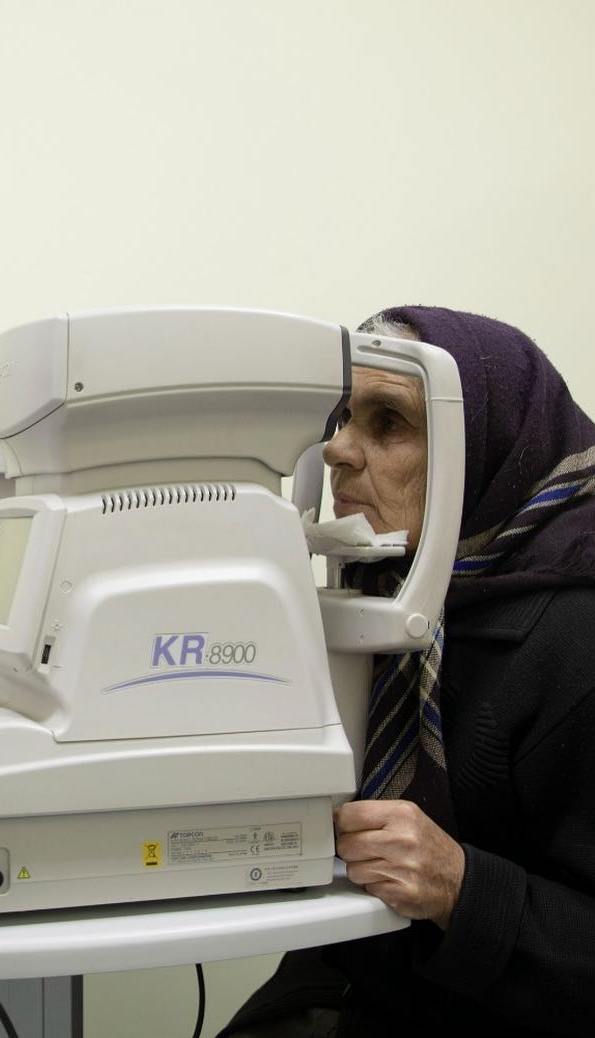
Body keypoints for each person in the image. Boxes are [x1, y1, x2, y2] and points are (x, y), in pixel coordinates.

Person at [220, 306, 595, 1037]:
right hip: (355, 981)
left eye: (387, 422)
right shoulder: (385, 592)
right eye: (342, 419)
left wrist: (461, 886)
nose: (338, 450)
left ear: (482, 447)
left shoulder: (576, 639)